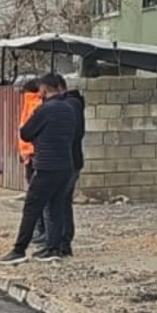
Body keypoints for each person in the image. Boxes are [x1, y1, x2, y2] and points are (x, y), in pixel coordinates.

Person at [0, 74, 74, 265]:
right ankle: (53, 248)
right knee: (56, 206)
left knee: (32, 206)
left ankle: (19, 249)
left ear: (45, 89)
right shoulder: (69, 108)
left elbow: (26, 132)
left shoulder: (45, 109)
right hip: (65, 165)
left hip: (46, 165)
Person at [57, 77, 87, 256]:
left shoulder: (71, 105)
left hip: (69, 161)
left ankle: (63, 242)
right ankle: (62, 241)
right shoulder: (73, 104)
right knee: (62, 202)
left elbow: (73, 134)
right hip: (69, 160)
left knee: (61, 202)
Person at [16, 78, 45, 241]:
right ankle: (40, 229)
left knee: (35, 197)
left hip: (33, 156)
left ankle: (40, 229)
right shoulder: (36, 104)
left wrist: (26, 153)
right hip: (32, 154)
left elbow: (26, 131)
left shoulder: (33, 104)